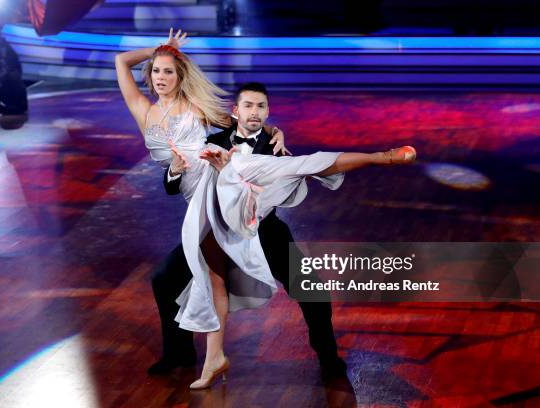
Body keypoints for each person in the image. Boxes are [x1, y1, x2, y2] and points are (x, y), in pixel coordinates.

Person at [115, 29, 416, 389]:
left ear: (180, 78)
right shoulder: (164, 119)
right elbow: (169, 181)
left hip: (261, 225)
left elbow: (250, 126)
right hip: (211, 213)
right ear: (148, 76)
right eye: (157, 72)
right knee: (168, 280)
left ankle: (328, 357)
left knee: (310, 288)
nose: (161, 78)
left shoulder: (209, 119)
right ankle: (182, 354)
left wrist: (276, 132)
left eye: (169, 71)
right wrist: (166, 49)